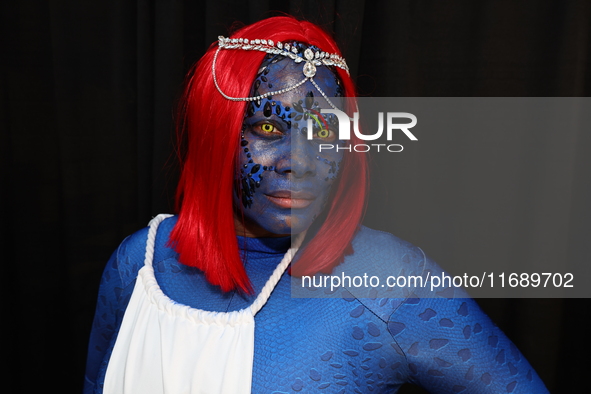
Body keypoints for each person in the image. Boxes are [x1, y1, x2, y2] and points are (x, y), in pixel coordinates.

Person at [84, 16, 549, 394]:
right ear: (215, 135)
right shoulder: (137, 265)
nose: (300, 163)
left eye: (322, 131)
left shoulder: (388, 282)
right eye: (268, 129)